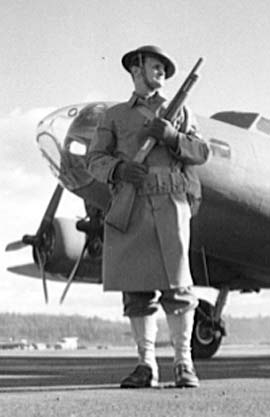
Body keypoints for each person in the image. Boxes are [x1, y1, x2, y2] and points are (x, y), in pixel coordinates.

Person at [88, 45, 209, 388]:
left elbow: (202, 152)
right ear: (136, 68)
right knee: (136, 290)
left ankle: (184, 364)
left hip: (171, 204)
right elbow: (94, 160)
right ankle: (146, 366)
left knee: (179, 288)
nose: (161, 71)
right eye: (155, 65)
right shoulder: (114, 115)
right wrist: (120, 169)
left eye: (164, 68)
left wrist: (172, 137)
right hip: (132, 203)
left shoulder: (181, 111)